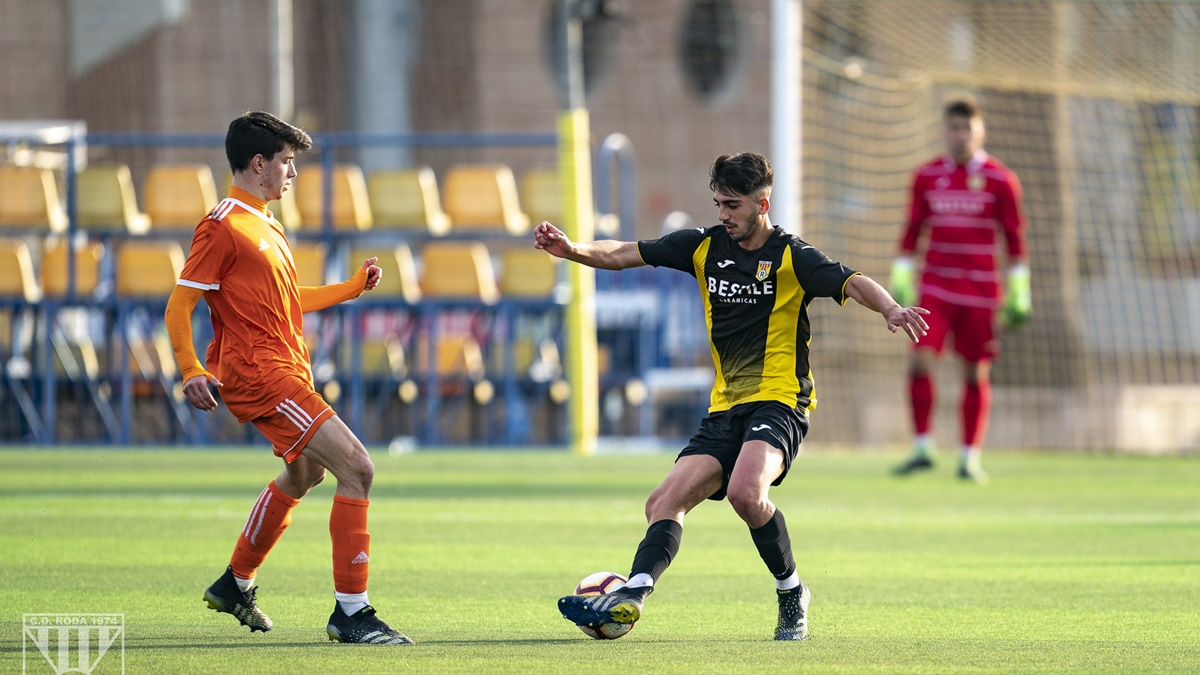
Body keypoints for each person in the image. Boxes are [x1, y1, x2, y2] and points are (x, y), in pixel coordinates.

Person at [540, 152, 929, 640]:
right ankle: (632, 594)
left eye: (733, 204)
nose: (723, 213)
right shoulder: (703, 247)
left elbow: (851, 280)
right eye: (718, 203)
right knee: (663, 500)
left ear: (762, 203)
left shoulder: (792, 256)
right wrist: (572, 249)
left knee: (747, 492)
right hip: (725, 408)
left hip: (781, 401)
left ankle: (792, 593)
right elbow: (625, 252)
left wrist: (891, 308)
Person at [164, 111, 413, 645]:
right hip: (263, 375)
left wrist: (350, 288)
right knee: (359, 468)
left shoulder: (267, 225)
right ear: (259, 164)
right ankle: (352, 612)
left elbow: (286, 304)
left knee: (306, 476)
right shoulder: (223, 224)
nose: (292, 173)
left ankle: (235, 582)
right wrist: (191, 370)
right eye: (287, 162)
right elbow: (179, 304)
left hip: (284, 367)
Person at [889, 99, 1030, 483]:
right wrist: (901, 275)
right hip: (936, 286)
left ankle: (969, 457)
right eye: (953, 127)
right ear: (945, 131)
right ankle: (921, 447)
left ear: (981, 131)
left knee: (973, 372)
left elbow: (1015, 239)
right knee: (919, 358)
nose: (960, 135)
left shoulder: (1002, 180)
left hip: (982, 291)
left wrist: (1021, 289)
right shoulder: (926, 175)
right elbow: (912, 229)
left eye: (967, 128)